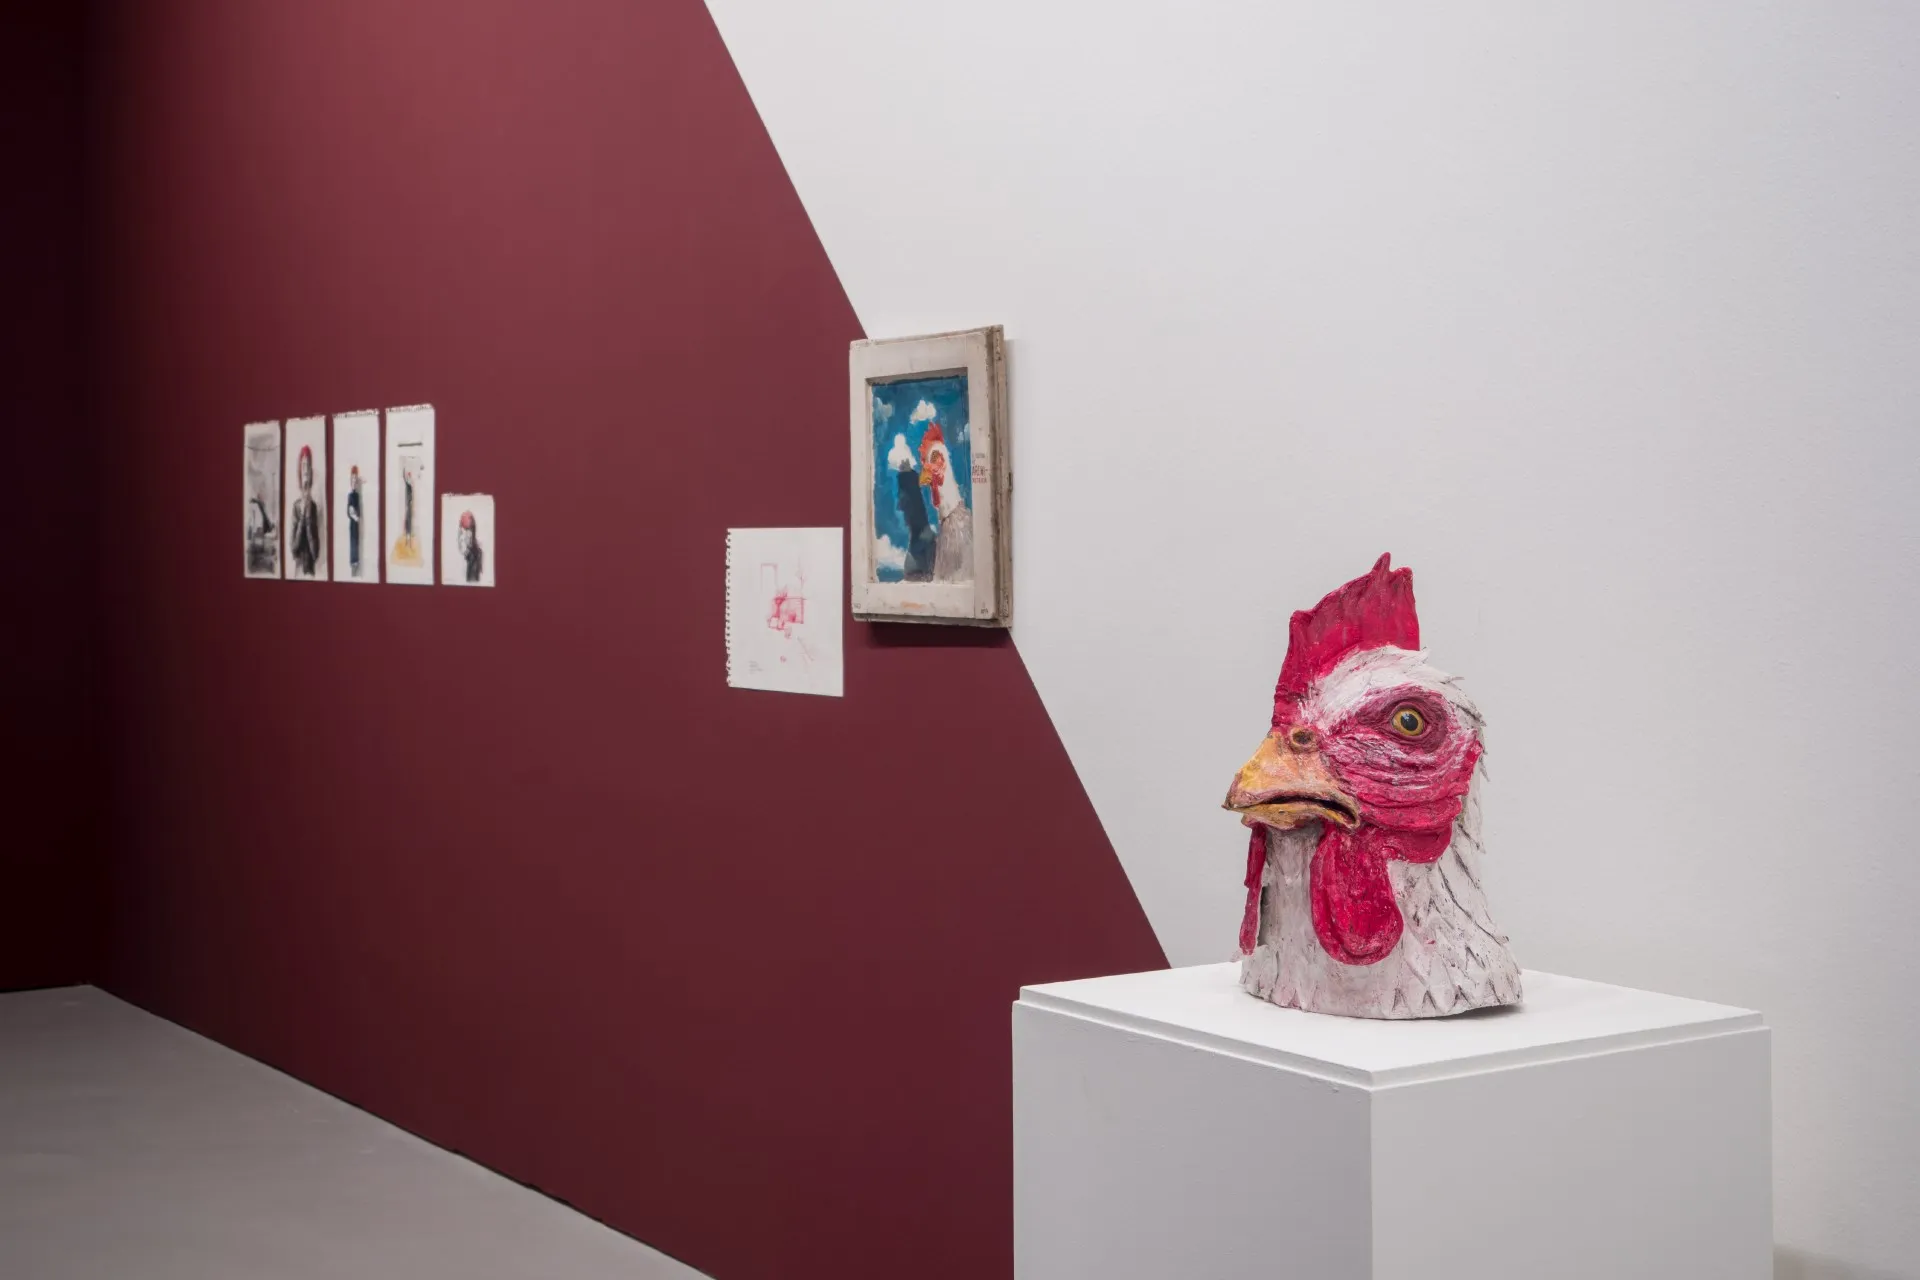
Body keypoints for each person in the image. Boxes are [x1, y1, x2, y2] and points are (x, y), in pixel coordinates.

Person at [919, 423, 972, 583]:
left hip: (953, 517)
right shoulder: (947, 526)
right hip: (948, 519)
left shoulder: (960, 526)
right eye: (928, 461)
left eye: (935, 459)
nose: (927, 467)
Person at [288, 445, 322, 577]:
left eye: (308, 466)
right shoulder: (296, 506)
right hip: (298, 571)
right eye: (303, 466)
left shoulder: (313, 507)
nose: (306, 470)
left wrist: (308, 517)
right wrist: (302, 516)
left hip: (311, 572)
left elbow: (315, 552)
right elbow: (294, 548)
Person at [346, 466, 364, 577]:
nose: (354, 482)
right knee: (352, 542)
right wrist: (353, 515)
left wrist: (357, 516)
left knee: (356, 541)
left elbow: (358, 510)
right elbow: (348, 511)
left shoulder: (357, 495)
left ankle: (356, 561)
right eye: (352, 480)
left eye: (356, 480)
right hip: (352, 524)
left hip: (356, 524)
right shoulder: (350, 496)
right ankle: (353, 562)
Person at [457, 509, 483, 583]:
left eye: (465, 532)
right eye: (460, 533)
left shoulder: (475, 554)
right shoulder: (470, 552)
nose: (461, 538)